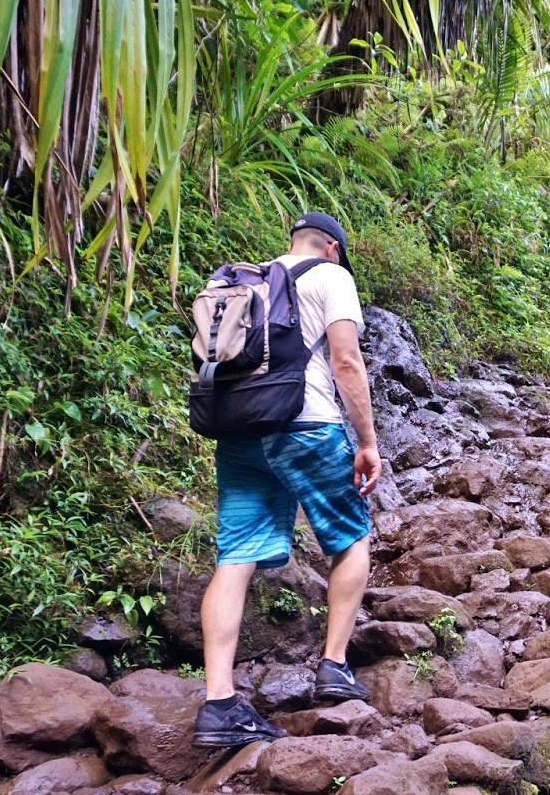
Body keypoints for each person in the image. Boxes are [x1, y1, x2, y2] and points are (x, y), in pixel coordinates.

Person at [192, 212, 384, 747]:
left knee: (235, 557)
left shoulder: (246, 280)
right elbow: (345, 361)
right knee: (350, 538)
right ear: (331, 249)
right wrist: (367, 442)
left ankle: (219, 705)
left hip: (239, 427)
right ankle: (334, 667)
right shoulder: (331, 276)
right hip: (305, 423)